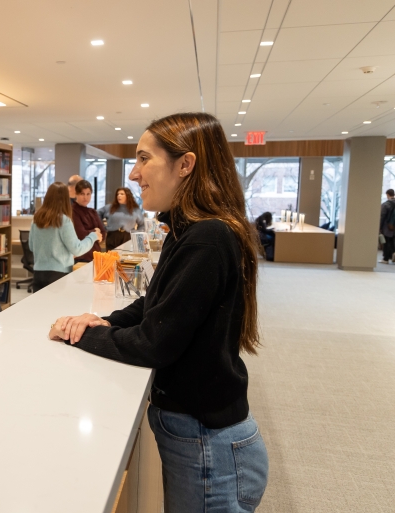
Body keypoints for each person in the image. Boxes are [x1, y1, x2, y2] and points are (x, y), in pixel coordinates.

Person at [48, 113, 268, 512]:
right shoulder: (187, 231)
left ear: (185, 165)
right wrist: (105, 321)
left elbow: (155, 343)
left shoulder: (207, 237)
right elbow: (155, 305)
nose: (134, 174)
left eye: (144, 159)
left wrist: (79, 334)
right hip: (203, 443)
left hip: (209, 449)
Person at [29, 182, 101, 292]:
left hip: (38, 273)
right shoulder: (63, 220)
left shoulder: (36, 218)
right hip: (59, 275)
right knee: (58, 308)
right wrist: (93, 236)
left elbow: (31, 246)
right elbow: (77, 249)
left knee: (42, 308)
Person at [72, 179, 106, 262]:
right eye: (82, 194)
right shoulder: (72, 211)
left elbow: (103, 234)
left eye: (88, 194)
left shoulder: (92, 212)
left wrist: (91, 233)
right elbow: (81, 234)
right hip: (81, 257)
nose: (85, 197)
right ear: (76, 194)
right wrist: (95, 231)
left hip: (95, 256)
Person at [380, 189, 395, 264]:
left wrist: (379, 227)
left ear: (387, 194)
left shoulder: (386, 204)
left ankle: (386, 258)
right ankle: (393, 254)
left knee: (386, 242)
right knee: (392, 242)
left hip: (387, 226)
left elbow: (382, 216)